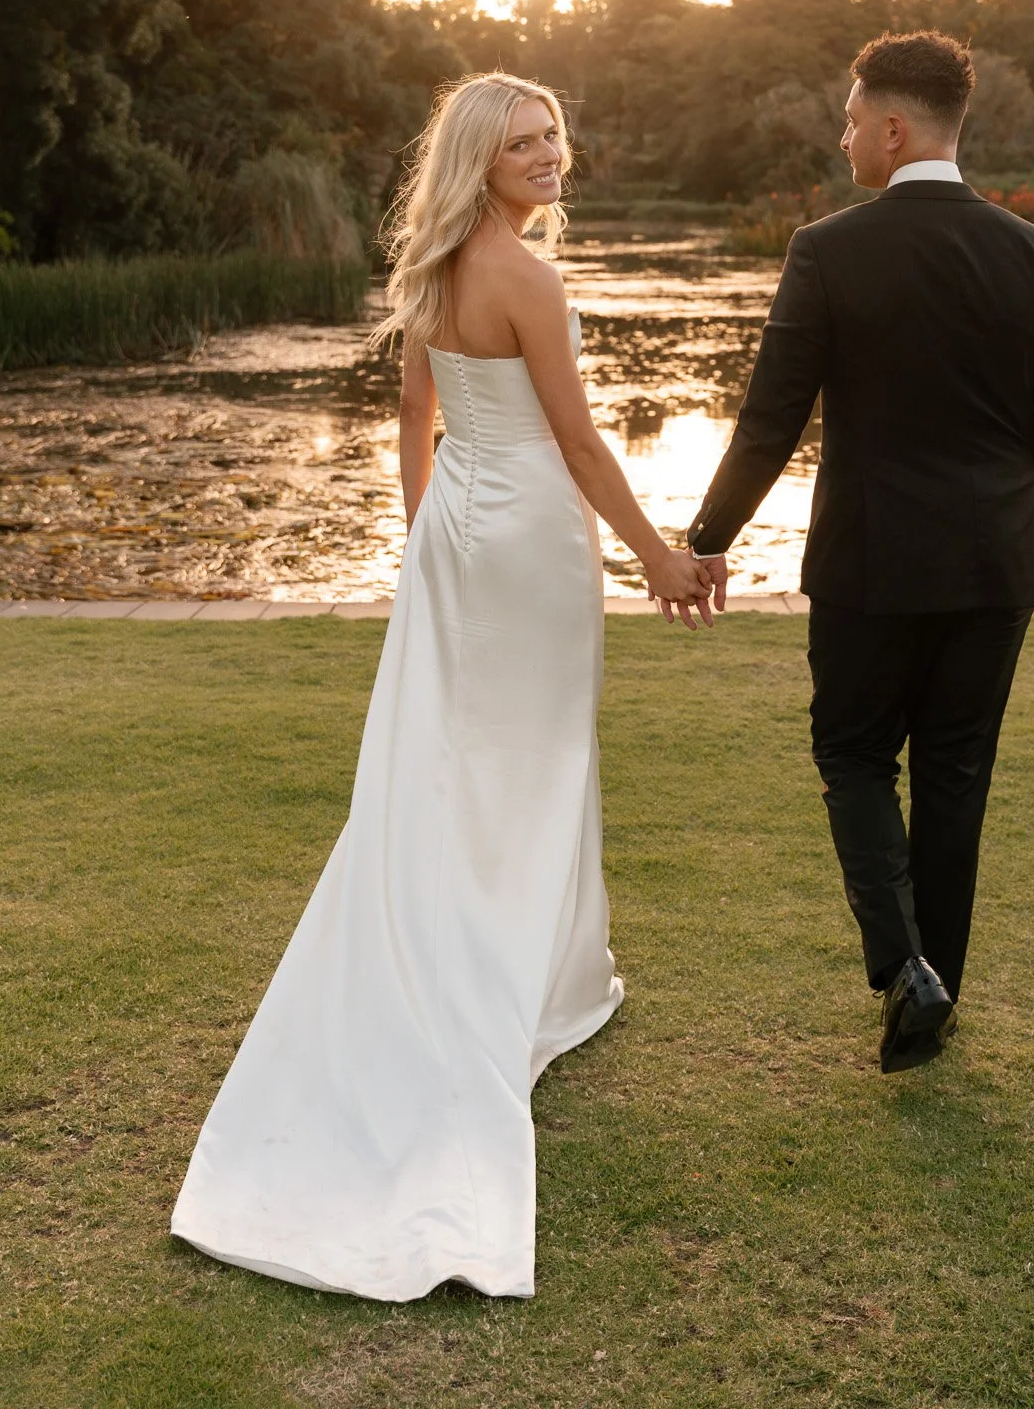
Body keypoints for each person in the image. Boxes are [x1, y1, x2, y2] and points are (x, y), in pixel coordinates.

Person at [172, 73, 711, 1301]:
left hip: (463, 531)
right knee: (533, 759)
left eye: (555, 137)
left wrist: (427, 534)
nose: (548, 156)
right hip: (526, 532)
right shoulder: (528, 274)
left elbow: (414, 416)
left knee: (457, 759)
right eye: (522, 144)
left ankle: (546, 967)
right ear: (480, 156)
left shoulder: (433, 262)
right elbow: (575, 442)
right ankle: (517, 979)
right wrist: (658, 555)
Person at [688, 32, 1034, 1073]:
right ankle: (932, 991)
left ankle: (904, 969)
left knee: (855, 755)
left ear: (895, 128)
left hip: (870, 561)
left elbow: (770, 419)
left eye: (854, 117)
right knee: (956, 773)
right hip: (997, 561)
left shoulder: (827, 250)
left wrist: (707, 539)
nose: (845, 133)